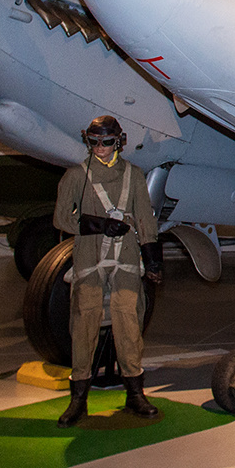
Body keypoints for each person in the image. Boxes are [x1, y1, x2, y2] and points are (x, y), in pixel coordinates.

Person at [54, 115, 164, 426]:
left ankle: (134, 393)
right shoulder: (76, 176)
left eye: (107, 142)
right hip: (89, 257)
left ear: (119, 141)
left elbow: (145, 219)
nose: (100, 148)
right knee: (84, 323)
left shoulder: (133, 175)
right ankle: (79, 399)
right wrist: (98, 224)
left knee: (128, 323)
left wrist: (153, 259)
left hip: (126, 259)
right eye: (94, 142)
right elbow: (61, 218)